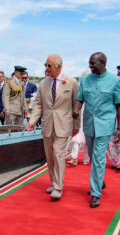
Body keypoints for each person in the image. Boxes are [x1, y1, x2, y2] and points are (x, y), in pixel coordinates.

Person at [73, 52, 120, 208]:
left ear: (103, 63)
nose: (90, 66)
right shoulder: (86, 79)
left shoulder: (115, 81)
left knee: (99, 156)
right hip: (89, 124)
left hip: (105, 124)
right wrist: (76, 109)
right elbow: (80, 98)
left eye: (93, 63)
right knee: (94, 156)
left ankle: (95, 193)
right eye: (89, 63)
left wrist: (119, 127)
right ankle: (100, 181)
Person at [26, 54, 80, 200]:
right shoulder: (43, 83)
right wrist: (32, 121)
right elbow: (38, 105)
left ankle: (58, 187)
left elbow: (77, 106)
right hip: (47, 125)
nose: (46, 68)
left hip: (64, 125)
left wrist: (77, 126)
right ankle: (53, 181)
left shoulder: (71, 82)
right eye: (45, 65)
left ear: (58, 66)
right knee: (50, 157)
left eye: (49, 65)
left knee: (58, 154)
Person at [67, 70, 91, 166]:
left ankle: (86, 159)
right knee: (76, 137)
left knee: (88, 139)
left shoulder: (93, 89)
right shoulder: (77, 88)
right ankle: (74, 158)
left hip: (89, 118)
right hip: (78, 117)